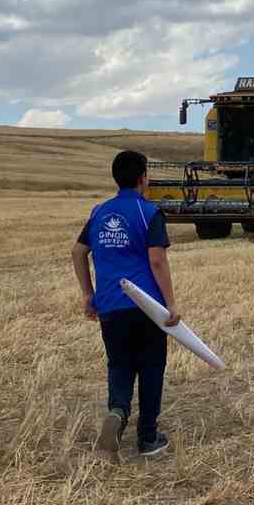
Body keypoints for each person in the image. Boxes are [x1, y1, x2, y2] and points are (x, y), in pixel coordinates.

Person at [72, 149, 181, 463]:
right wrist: (171, 304)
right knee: (151, 367)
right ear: (143, 178)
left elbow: (78, 252)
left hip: (110, 306)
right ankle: (148, 438)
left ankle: (117, 412)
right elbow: (157, 260)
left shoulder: (99, 212)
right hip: (146, 307)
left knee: (119, 365)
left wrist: (88, 294)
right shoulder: (149, 212)